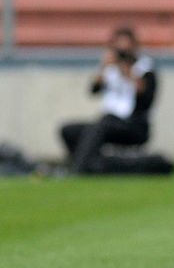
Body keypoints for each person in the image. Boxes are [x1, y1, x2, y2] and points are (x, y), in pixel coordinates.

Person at [59, 26, 157, 174]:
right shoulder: (110, 69)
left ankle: (79, 169)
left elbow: (145, 97)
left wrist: (128, 72)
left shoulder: (144, 68)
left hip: (132, 125)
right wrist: (104, 66)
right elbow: (93, 89)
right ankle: (91, 165)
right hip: (107, 122)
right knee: (69, 130)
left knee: (100, 125)